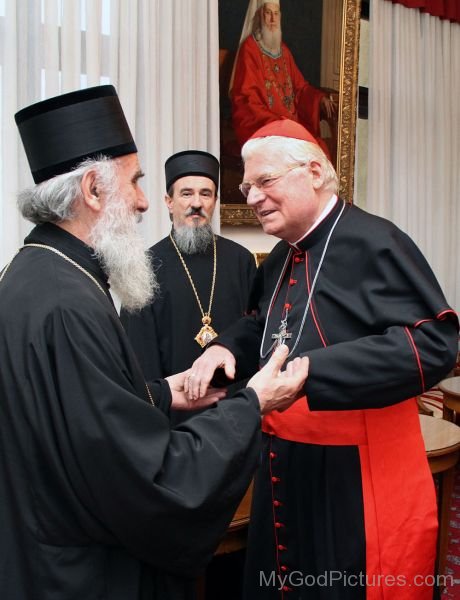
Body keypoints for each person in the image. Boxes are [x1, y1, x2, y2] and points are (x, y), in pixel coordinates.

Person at [0, 87, 309, 600]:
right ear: (94, 191)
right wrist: (252, 405)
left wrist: (166, 394)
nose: (144, 201)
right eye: (136, 181)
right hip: (78, 570)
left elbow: (79, 414)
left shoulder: (37, 272)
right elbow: (146, 476)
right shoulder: (66, 303)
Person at [186, 118, 460, 599]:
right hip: (284, 466)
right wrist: (224, 347)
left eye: (265, 181)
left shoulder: (376, 240)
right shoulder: (279, 256)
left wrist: (316, 370)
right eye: (247, 185)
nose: (251, 197)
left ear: (313, 171)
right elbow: (261, 324)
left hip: (353, 477)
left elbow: (436, 341)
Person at [120, 150, 256, 382]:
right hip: (173, 408)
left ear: (215, 201)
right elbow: (138, 355)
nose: (196, 203)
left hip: (236, 403)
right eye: (186, 194)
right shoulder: (143, 267)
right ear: (169, 202)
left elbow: (254, 332)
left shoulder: (241, 260)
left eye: (205, 194)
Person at [230, 0, 336, 154]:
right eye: (268, 13)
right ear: (260, 16)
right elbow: (246, 99)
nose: (272, 19)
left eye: (276, 13)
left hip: (289, 127)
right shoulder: (250, 49)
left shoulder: (284, 51)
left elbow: (300, 88)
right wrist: (277, 123)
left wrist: (320, 99)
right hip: (263, 126)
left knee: (318, 149)